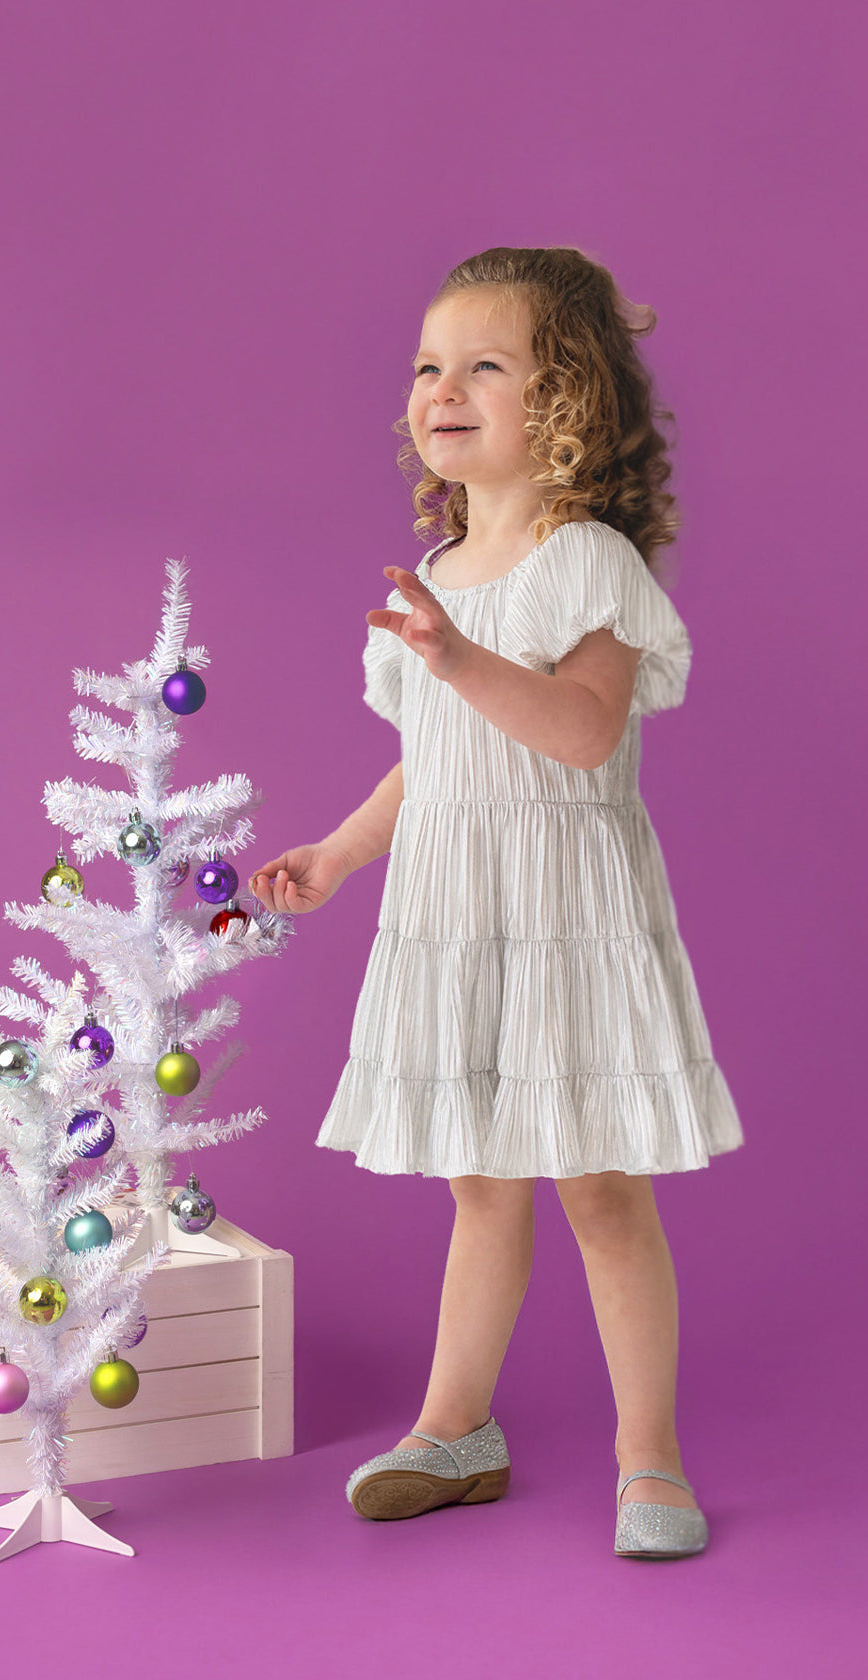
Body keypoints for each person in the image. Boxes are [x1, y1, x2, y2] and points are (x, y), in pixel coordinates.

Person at [248, 246, 744, 1560]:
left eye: (482, 365)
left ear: (565, 396)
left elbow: (580, 732)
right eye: (425, 366)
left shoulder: (587, 563)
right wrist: (342, 854)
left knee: (597, 1188)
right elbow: (435, 757)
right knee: (478, 1184)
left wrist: (456, 655)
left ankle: (651, 1457)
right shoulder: (437, 573)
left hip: (564, 914)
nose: (439, 389)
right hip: (458, 918)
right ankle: (454, 1428)